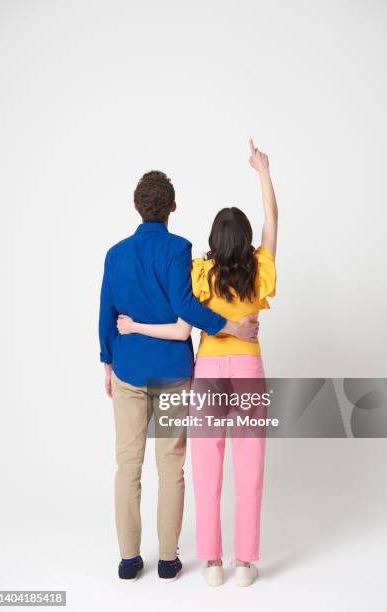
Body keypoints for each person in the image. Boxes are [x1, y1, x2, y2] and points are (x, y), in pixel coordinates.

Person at [117, 139, 278, 587]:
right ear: (245, 241)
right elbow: (272, 222)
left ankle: (211, 563)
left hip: (207, 372)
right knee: (250, 465)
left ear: (213, 241)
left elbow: (185, 310)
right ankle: (244, 564)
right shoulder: (260, 267)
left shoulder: (201, 271)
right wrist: (263, 172)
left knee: (206, 466)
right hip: (247, 373)